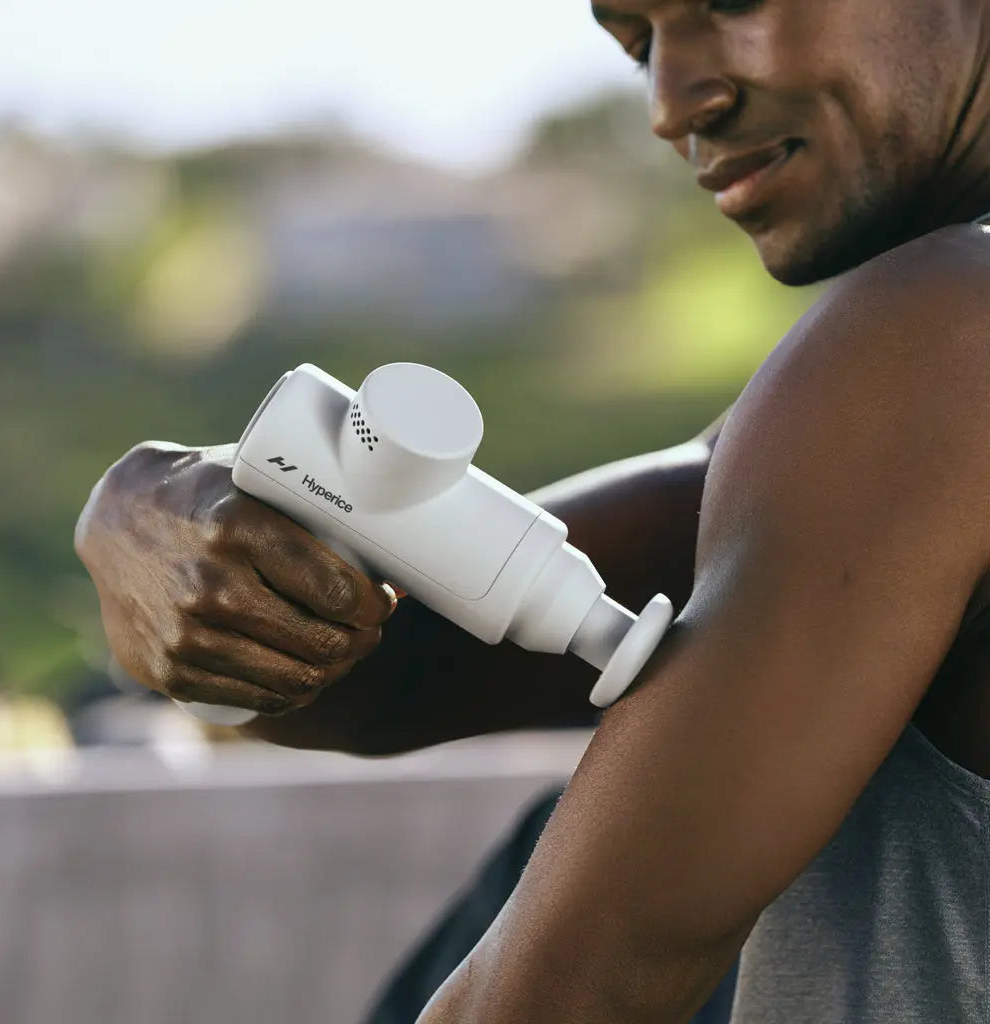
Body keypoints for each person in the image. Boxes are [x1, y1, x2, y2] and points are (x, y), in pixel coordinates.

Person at [74, 0, 990, 1019]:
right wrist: (165, 522)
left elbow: (575, 989)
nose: (673, 99)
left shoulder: (939, 334)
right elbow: (396, 663)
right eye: (637, 42)